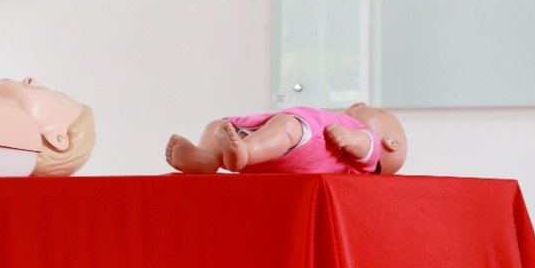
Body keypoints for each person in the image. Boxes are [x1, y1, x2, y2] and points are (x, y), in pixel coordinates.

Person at [165, 103, 408, 175]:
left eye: (380, 111)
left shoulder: (365, 137)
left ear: (390, 143)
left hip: (305, 139)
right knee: (219, 127)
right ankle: (207, 157)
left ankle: (243, 153)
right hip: (271, 140)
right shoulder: (343, 119)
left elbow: (365, 146)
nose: (365, 105)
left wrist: (349, 137)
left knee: (287, 127)